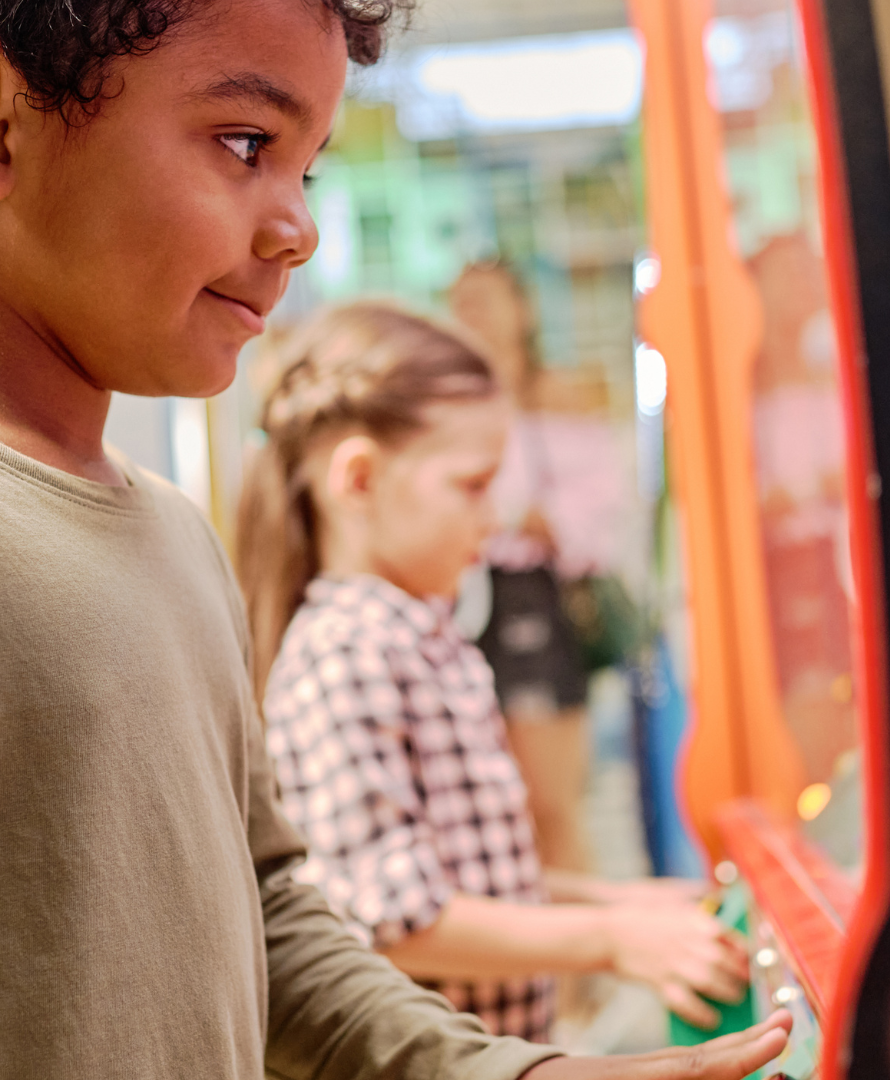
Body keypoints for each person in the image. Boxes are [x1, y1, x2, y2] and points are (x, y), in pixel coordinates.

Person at [0, 0, 793, 1076]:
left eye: (307, 165)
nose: (295, 224)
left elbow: (268, 917)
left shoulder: (176, 538)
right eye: (243, 142)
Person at [239, 302, 748, 1043]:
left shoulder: (423, 633)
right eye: (472, 486)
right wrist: (610, 940)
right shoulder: (347, 653)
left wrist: (619, 905)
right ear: (358, 480)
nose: (497, 514)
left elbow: (473, 882)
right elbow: (398, 920)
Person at [447, 260, 598, 875]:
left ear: (523, 312)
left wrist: (524, 520)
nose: (472, 314)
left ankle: (575, 964)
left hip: (533, 606)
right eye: (462, 301)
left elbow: (594, 524)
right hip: (461, 606)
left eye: (486, 300)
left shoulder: (557, 399)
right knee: (492, 814)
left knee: (549, 807)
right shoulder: (446, 401)